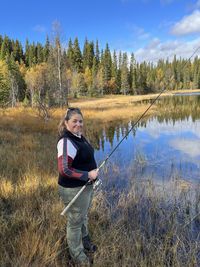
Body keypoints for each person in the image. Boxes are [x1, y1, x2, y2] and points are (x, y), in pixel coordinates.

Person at [57, 107, 98, 265]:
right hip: (73, 189)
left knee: (83, 216)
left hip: (85, 187)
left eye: (80, 121)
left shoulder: (79, 137)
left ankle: (85, 241)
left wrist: (92, 172)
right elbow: (65, 169)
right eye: (74, 121)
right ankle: (78, 256)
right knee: (74, 222)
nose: (78, 124)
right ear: (66, 122)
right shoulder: (66, 141)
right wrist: (88, 175)